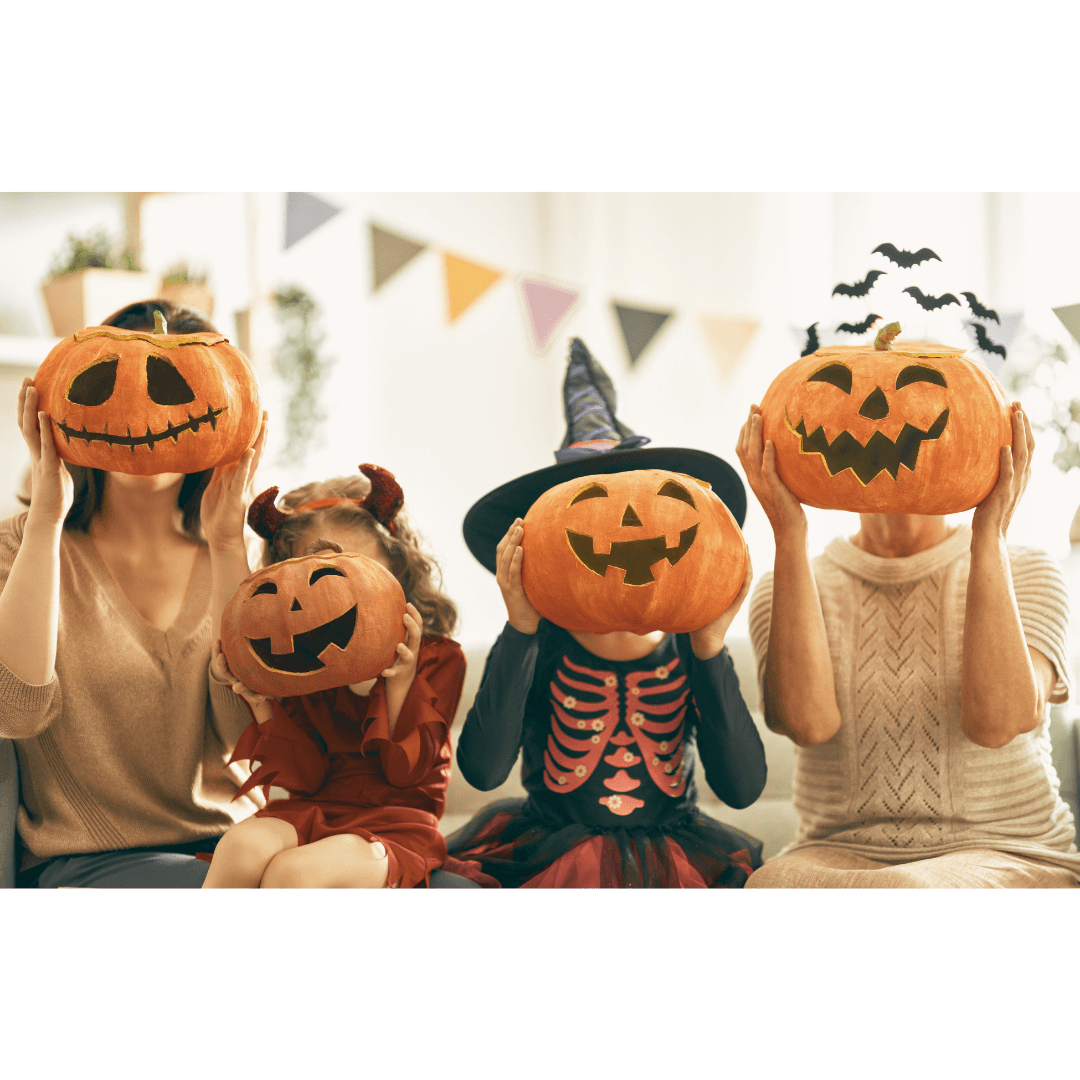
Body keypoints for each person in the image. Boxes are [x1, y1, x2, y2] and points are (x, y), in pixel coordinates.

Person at [446, 339, 767, 888]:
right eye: (590, 510)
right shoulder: (541, 646)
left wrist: (710, 649)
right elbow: (483, 769)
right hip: (548, 848)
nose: (623, 533)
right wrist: (521, 628)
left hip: (677, 851)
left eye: (647, 509)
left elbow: (741, 788)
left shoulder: (693, 649)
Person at [737, 400, 1080, 888]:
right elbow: (808, 724)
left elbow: (998, 721)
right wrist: (788, 532)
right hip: (836, 851)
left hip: (1006, 848)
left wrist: (989, 534)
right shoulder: (784, 583)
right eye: (860, 410)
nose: (880, 421)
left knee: (907, 892)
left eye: (912, 411)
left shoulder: (1028, 570)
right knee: (768, 886)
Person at [1, 298, 267, 888]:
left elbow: (248, 740)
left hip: (240, 850)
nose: (140, 409)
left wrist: (228, 548)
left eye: (173, 385)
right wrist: (46, 518)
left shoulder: (238, 555)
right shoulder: (19, 547)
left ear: (223, 407)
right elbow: (13, 710)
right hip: (92, 863)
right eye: (110, 382)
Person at [202, 467, 495, 889]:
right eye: (318, 578)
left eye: (354, 569)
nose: (343, 594)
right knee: (240, 846)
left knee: (295, 874)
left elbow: (407, 777)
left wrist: (398, 683)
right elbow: (305, 779)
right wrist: (261, 700)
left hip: (396, 823)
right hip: (314, 806)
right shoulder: (303, 667)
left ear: (396, 563)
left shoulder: (438, 658)